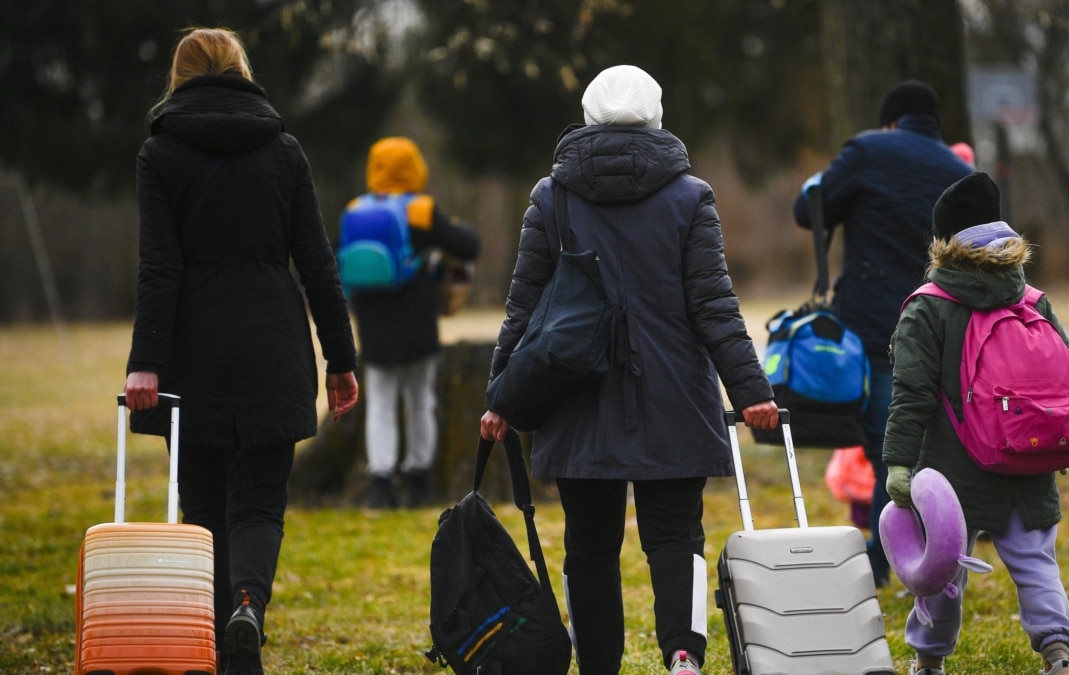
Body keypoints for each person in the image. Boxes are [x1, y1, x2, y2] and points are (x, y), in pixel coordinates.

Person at [479, 65, 778, 675]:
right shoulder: (690, 196)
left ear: (587, 114)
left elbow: (525, 305)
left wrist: (501, 396)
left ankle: (598, 668)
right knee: (676, 537)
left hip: (574, 396)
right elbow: (714, 306)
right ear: (657, 114)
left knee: (589, 547)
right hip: (672, 395)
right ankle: (684, 658)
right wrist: (750, 390)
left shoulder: (551, 196)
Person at [122, 27, 359, 675]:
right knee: (258, 502)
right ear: (242, 70)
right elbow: (317, 265)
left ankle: (216, 640)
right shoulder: (283, 150)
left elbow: (159, 267)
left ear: (179, 77)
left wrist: (144, 360)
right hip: (272, 346)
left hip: (191, 350)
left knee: (201, 505)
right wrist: (341, 360)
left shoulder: (160, 155)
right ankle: (248, 609)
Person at [883, 171, 1069, 675]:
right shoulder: (1032, 299)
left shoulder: (927, 307)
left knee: (943, 570)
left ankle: (929, 662)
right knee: (1037, 563)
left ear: (944, 241)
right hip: (1027, 457)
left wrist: (899, 463)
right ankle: (1058, 656)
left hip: (954, 471)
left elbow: (912, 394)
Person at [792, 80, 972, 587]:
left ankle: (883, 563)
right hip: (944, 326)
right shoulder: (961, 172)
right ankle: (904, 555)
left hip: (875, 326)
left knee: (887, 451)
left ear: (891, 120)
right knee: (925, 447)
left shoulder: (869, 149)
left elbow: (809, 211)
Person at [346, 136, 481, 509]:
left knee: (381, 404)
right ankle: (419, 479)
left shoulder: (356, 209)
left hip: (372, 320)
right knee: (421, 399)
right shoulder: (420, 209)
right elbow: (467, 246)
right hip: (416, 318)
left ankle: (380, 483)